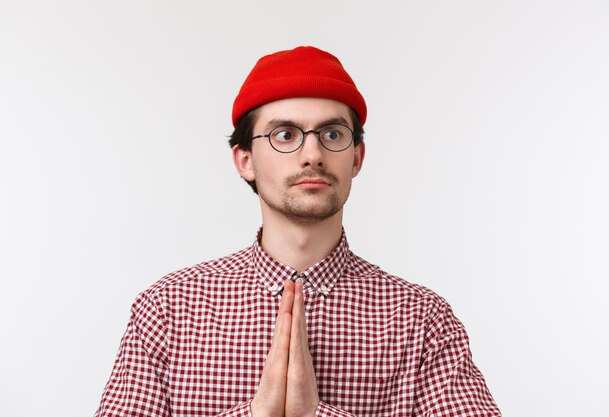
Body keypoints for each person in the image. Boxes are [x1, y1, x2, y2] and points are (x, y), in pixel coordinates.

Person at [95, 46, 501, 417]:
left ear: (356, 158)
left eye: (332, 134)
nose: (313, 155)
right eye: (285, 134)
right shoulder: (167, 311)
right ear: (245, 160)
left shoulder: (421, 320)